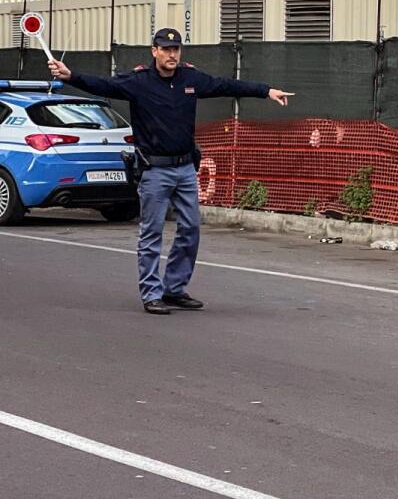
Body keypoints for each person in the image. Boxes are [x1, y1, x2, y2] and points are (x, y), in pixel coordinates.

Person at [48, 28, 294, 315]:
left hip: (185, 168)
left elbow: (225, 85)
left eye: (175, 49)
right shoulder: (138, 81)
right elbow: (104, 85)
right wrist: (71, 76)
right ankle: (152, 294)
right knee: (151, 234)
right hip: (155, 171)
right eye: (166, 49)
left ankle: (174, 289)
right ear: (154, 51)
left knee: (190, 228)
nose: (171, 54)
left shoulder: (190, 78)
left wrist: (266, 91)